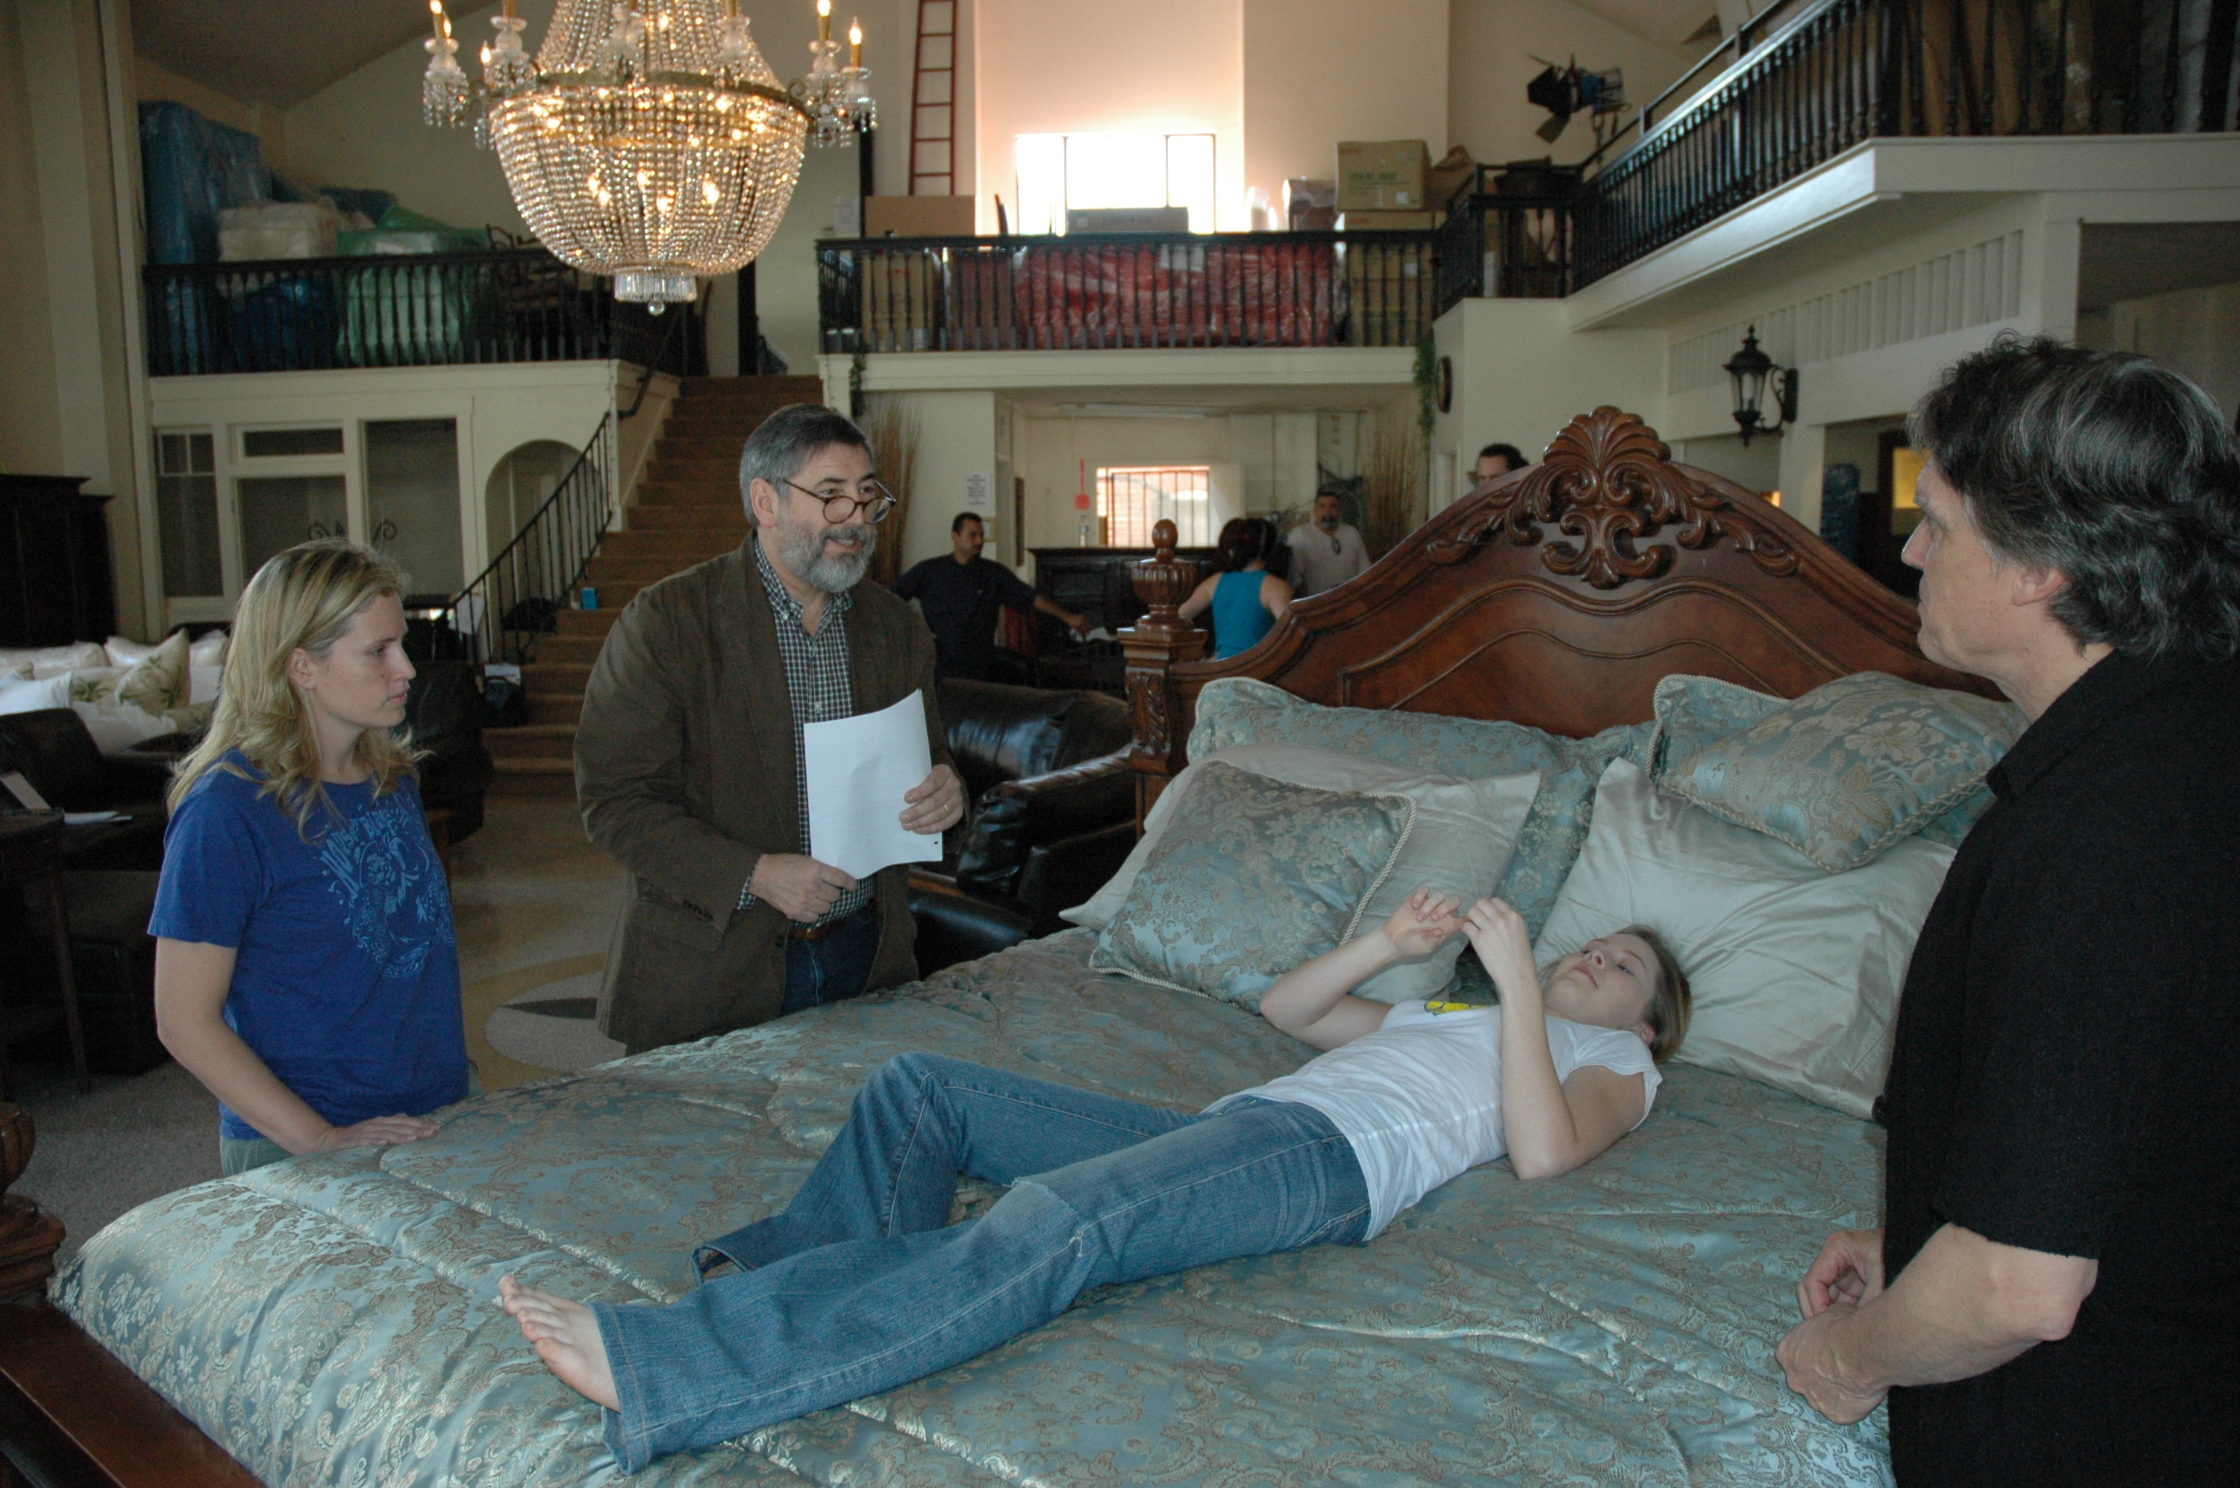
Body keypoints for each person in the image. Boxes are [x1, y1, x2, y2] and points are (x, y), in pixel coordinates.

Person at [501, 890, 1693, 1470]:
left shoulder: (1614, 1061)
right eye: (1592, 944)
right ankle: (815, 1278)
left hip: (1327, 1170)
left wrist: (1531, 992)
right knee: (924, 1087)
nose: (1596, 956)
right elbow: (1288, 1012)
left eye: (1622, 964)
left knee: (1058, 1221)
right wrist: (1392, 945)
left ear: (1652, 1017)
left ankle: (686, 1364)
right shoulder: (1457, 1010)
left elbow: (1541, 1154)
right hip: (1249, 1123)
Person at [1775, 337, 2240, 1484]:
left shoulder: (2099, 833)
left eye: (1937, 518)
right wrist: (1923, 1241)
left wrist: (1846, 1356)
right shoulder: (2189, 734)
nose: (1912, 549)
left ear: (2038, 566)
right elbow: (2156, 1125)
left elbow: (2015, 1286)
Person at [575, 404, 967, 1054]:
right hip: (712, 968)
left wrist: (948, 792)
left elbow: (932, 761)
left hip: (865, 965)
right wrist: (754, 873)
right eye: (832, 497)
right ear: (766, 502)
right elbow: (614, 803)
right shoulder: (668, 623)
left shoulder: (896, 627)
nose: (858, 521)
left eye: (868, 497)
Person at [151, 540, 469, 1175]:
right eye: (378, 651)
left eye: (400, 644)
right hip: (303, 1137)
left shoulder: (391, 776)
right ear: (302, 666)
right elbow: (183, 1021)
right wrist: (320, 1138)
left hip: (436, 1111)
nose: (406, 669)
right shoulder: (227, 812)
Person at [891, 512, 1086, 681]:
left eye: (981, 535)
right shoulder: (929, 571)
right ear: (955, 536)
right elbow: (892, 598)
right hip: (940, 666)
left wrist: (1067, 616)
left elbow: (1030, 597)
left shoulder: (993, 573)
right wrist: (913, 631)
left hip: (980, 665)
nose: (979, 541)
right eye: (973, 535)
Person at [1178, 517, 1293, 659]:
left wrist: (1201, 657)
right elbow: (1293, 634)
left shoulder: (1214, 581)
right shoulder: (1276, 587)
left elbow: (1177, 616)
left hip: (1220, 670)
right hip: (1257, 671)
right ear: (1271, 549)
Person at [1284, 490, 1370, 597]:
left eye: (1333, 506)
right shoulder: (1301, 535)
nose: (1328, 511)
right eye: (1322, 506)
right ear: (1315, 510)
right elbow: (1295, 577)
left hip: (1350, 600)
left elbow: (1365, 570)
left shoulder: (1352, 533)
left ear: (1340, 510)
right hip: (1316, 603)